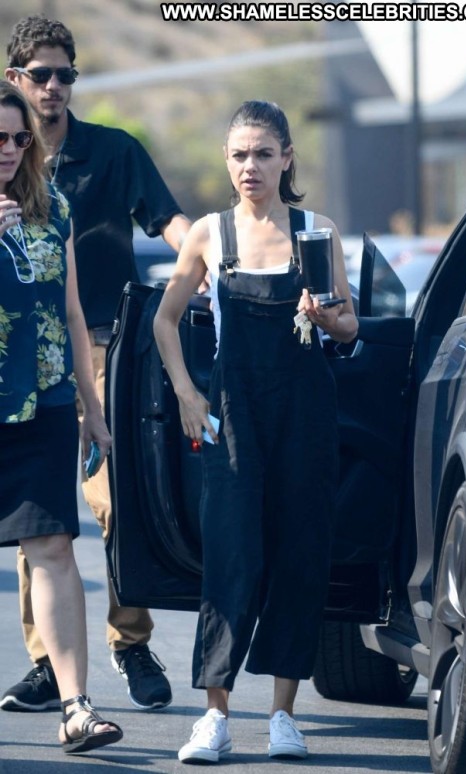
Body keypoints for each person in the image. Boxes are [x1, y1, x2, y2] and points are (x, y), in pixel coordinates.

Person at [153, 100, 359, 763]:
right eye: (240, 154)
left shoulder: (316, 231)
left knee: (300, 555)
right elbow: (163, 320)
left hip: (305, 416)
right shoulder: (209, 234)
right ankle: (214, 716)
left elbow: (349, 328)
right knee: (231, 555)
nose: (252, 166)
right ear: (226, 160)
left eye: (264, 154)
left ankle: (283, 717)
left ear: (287, 158)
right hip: (233, 416)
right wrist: (188, 394)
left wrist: (324, 317)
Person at [0, 14, 191, 714]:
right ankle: (48, 665)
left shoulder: (112, 152)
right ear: (16, 79)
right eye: (41, 75)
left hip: (108, 353)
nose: (54, 87)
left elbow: (169, 222)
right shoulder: (11, 163)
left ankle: (129, 641)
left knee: (114, 503)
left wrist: (210, 261)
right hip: (23, 360)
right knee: (40, 521)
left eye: (66, 75)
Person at [0, 79, 123, 754]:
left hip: (43, 402)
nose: (11, 148)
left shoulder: (53, 207)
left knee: (52, 548)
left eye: (21, 137)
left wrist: (91, 408)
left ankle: (76, 707)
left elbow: (72, 313)